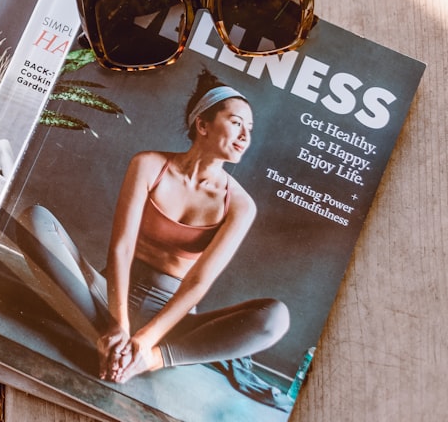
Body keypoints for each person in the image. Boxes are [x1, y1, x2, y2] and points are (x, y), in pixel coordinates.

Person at [15, 68, 289, 385]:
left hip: (171, 323)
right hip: (107, 297)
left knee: (275, 318)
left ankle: (147, 358)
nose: (245, 137)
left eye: (250, 129)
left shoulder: (240, 205)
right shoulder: (148, 164)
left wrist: (147, 342)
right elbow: (122, 248)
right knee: (34, 218)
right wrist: (120, 322)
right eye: (236, 123)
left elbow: (198, 283)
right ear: (202, 125)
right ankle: (113, 339)